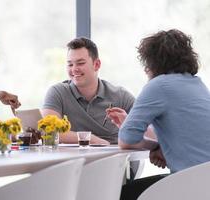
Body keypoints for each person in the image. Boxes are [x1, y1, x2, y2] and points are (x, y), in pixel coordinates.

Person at [107, 29, 210, 200]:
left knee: (118, 194)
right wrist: (160, 146)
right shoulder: (198, 85)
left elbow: (125, 140)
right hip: (204, 182)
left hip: (188, 183)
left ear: (153, 62)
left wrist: (155, 147)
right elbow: (181, 133)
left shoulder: (159, 85)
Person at [41, 37, 136, 145]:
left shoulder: (121, 96)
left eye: (80, 63)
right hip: (75, 161)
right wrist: (90, 139)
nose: (74, 69)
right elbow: (48, 131)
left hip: (116, 160)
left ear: (97, 65)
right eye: (70, 64)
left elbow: (149, 128)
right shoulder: (57, 92)